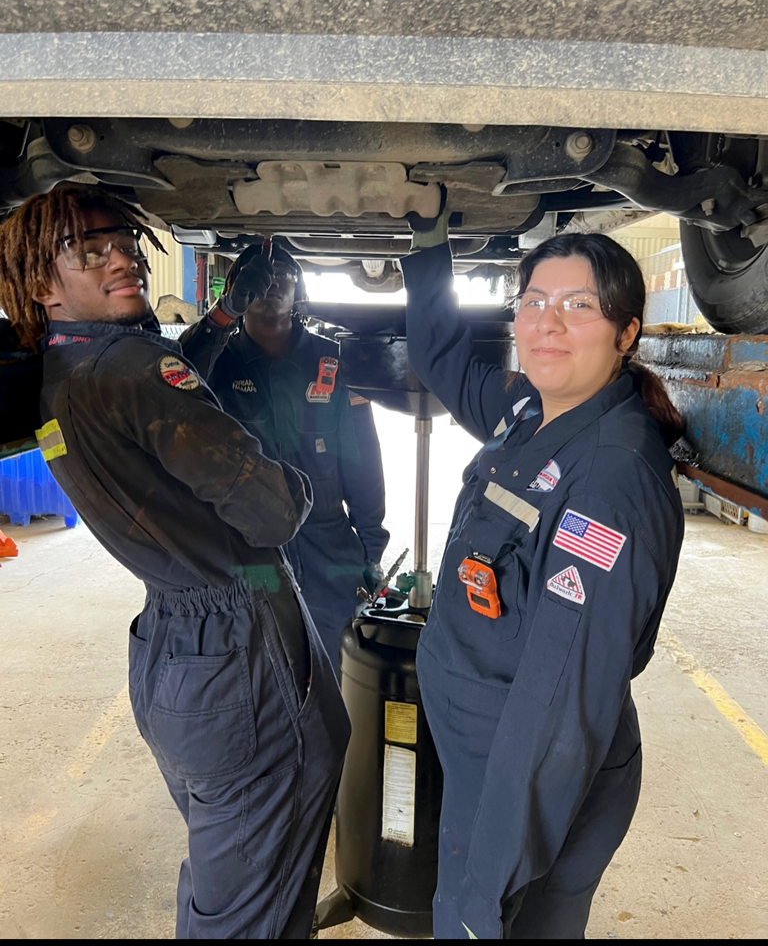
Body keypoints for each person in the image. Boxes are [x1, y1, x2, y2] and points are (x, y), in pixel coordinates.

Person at [0, 183, 350, 940]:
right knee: (243, 900)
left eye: (125, 243)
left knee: (249, 862)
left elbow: (146, 392)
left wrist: (221, 318)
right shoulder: (134, 375)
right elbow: (273, 514)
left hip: (196, 623)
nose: (122, 258)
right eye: (90, 250)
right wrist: (293, 474)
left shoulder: (68, 370)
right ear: (38, 282)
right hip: (231, 636)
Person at [402, 207, 685, 939]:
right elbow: (441, 364)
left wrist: (481, 894)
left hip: (528, 778)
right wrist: (430, 245)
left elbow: (560, 706)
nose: (547, 323)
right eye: (533, 302)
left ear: (626, 334)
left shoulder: (607, 485)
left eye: (578, 306)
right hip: (489, 759)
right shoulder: (531, 409)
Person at [180, 240, 389, 673]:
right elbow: (172, 376)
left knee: (338, 667)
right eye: (258, 280)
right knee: (259, 665)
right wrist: (224, 311)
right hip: (247, 542)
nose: (272, 286)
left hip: (327, 540)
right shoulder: (218, 361)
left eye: (284, 278)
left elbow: (362, 455)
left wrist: (370, 546)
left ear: (299, 292)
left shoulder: (332, 360)